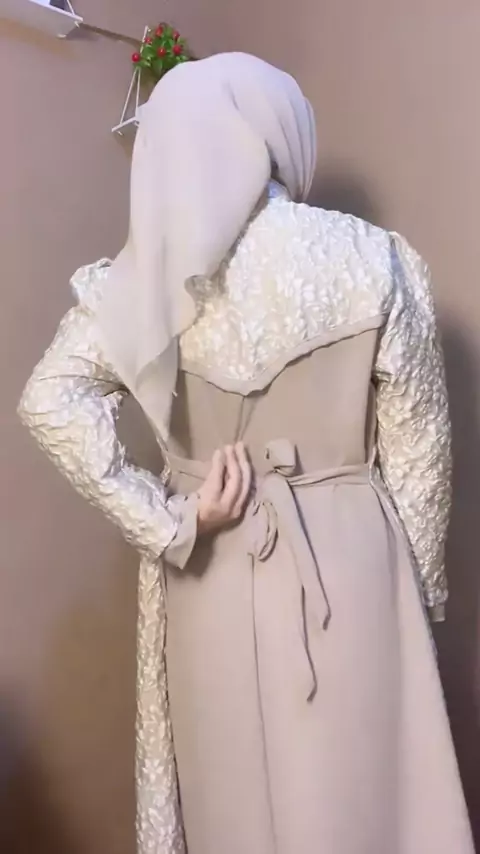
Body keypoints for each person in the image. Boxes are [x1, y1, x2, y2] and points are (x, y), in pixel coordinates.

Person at [19, 53, 474, 854]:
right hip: (352, 564)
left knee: (232, 796)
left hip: (211, 559)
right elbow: (421, 454)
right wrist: (418, 595)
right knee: (362, 794)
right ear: (275, 132)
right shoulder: (374, 257)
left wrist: (167, 520)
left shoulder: (144, 278)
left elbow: (48, 399)